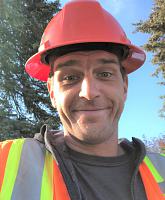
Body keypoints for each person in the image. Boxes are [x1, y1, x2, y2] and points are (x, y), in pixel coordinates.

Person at [0, 0, 165, 200]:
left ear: (124, 86)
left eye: (105, 74)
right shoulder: (5, 161)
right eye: (70, 77)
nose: (89, 92)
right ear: (52, 92)